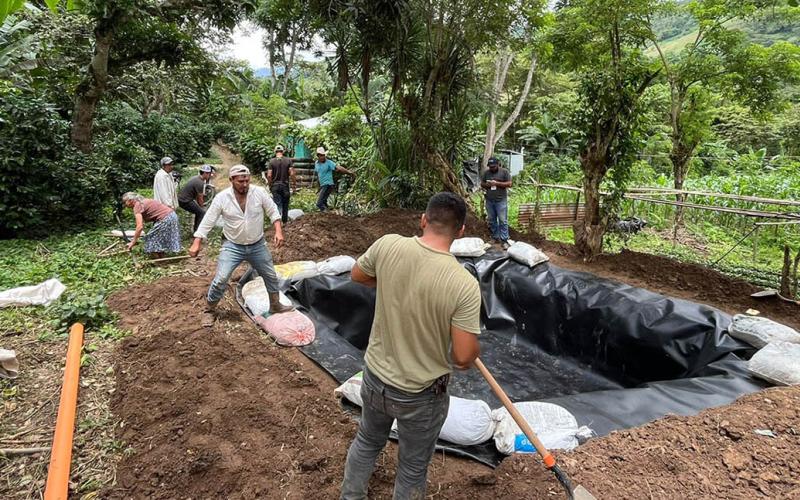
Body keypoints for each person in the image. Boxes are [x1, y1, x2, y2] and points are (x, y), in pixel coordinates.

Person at [340, 192, 482, 500]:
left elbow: (357, 275)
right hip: (420, 394)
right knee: (412, 469)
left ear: (423, 219)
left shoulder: (388, 245)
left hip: (375, 378)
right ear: (460, 231)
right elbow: (462, 357)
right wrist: (471, 346)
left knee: (367, 441)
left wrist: (393, 284)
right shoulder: (463, 284)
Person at [189, 164, 294, 327]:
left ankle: (275, 305)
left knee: (270, 275)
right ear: (231, 180)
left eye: (247, 181)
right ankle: (209, 310)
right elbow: (208, 220)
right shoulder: (222, 198)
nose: (245, 185)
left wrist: (278, 231)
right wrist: (197, 241)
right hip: (232, 245)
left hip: (257, 244)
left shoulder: (259, 193)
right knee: (221, 279)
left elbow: (273, 211)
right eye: (240, 181)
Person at [122, 192, 182, 259]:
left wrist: (133, 242)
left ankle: (158, 261)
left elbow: (139, 226)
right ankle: (162, 258)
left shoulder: (137, 206)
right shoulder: (144, 201)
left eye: (125, 202)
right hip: (172, 216)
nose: (125, 205)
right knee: (158, 239)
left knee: (149, 240)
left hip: (166, 219)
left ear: (130, 200)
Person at [480, 157, 512, 249]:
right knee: (492, 220)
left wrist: (497, 183)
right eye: (490, 167)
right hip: (489, 200)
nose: (492, 168)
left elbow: (509, 184)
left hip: (501, 200)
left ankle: (504, 240)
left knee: (503, 220)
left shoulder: (504, 172)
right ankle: (495, 237)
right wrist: (488, 185)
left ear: (498, 164)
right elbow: (482, 184)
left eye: (493, 166)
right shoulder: (487, 173)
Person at [314, 146, 354, 211]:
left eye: (323, 155)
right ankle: (328, 213)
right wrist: (319, 187)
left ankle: (326, 213)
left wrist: (349, 172)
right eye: (321, 155)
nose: (323, 157)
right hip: (323, 185)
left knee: (319, 203)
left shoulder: (329, 162)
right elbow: (318, 175)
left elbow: (339, 168)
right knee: (323, 202)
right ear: (318, 156)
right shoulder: (316, 163)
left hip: (328, 185)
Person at [178, 164, 215, 232]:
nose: (210, 175)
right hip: (185, 201)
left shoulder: (196, 178)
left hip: (182, 199)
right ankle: (197, 232)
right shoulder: (200, 183)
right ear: (205, 173)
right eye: (209, 174)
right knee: (201, 213)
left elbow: (197, 197)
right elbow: (200, 199)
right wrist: (202, 207)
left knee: (199, 211)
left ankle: (196, 229)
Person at [267, 145, 296, 223]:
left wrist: (270, 185)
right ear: (283, 151)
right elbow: (292, 173)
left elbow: (269, 175)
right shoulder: (288, 160)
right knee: (285, 205)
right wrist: (294, 185)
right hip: (285, 186)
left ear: (275, 152)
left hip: (275, 186)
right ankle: (285, 223)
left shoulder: (271, 161)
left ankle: (278, 223)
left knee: (277, 205)